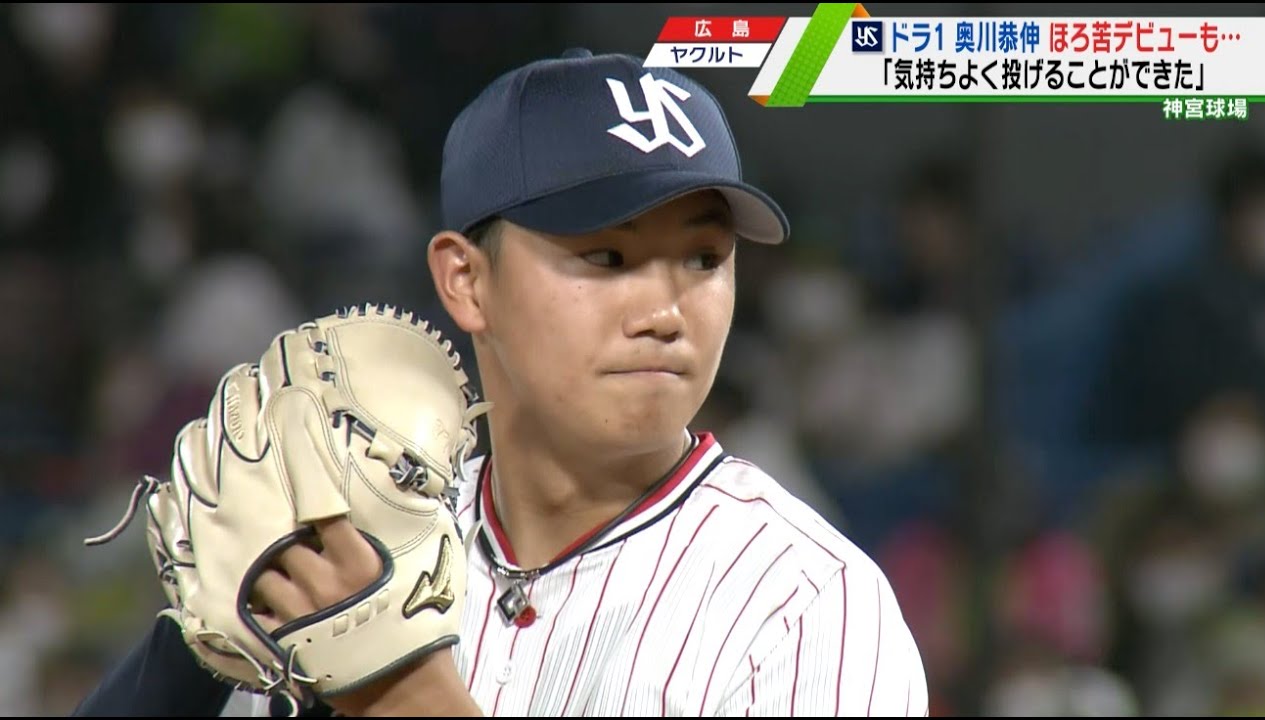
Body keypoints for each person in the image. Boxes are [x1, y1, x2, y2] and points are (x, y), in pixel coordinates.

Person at [75, 48, 928, 717]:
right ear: (466, 281)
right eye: (608, 256)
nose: (667, 311)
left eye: (705, 258)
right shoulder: (354, 550)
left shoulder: (805, 602)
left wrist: (408, 699)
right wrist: (193, 648)